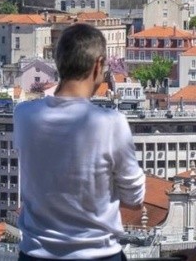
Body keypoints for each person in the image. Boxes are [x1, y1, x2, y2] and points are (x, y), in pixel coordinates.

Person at [14, 24, 145, 260]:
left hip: (36, 254)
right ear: (98, 65)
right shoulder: (111, 122)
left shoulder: (23, 115)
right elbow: (134, 199)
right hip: (99, 254)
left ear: (59, 62)